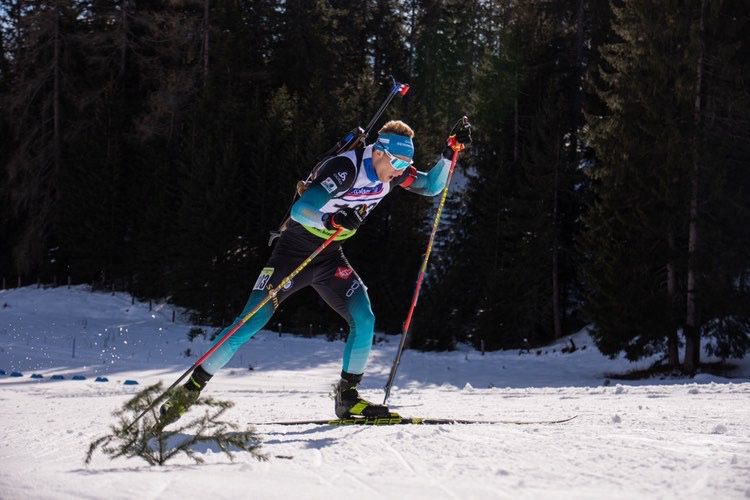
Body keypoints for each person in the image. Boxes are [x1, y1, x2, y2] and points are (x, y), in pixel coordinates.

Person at [160, 119, 471, 424]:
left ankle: (348, 399)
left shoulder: (391, 173)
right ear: (380, 152)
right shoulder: (346, 169)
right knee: (250, 321)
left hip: (330, 257)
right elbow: (301, 210)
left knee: (364, 318)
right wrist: (331, 222)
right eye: (398, 162)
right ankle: (190, 390)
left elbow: (431, 186)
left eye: (407, 163)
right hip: (294, 253)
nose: (401, 170)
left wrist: (449, 152)